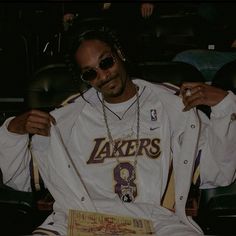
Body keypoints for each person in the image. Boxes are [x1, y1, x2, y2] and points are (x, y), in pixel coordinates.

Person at [0, 28, 236, 236]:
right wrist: (13, 130)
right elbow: (20, 179)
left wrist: (224, 107)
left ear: (119, 53)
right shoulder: (66, 119)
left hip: (157, 221)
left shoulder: (172, 106)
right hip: (80, 219)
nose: (103, 76)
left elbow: (218, 173)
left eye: (106, 62)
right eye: (90, 73)